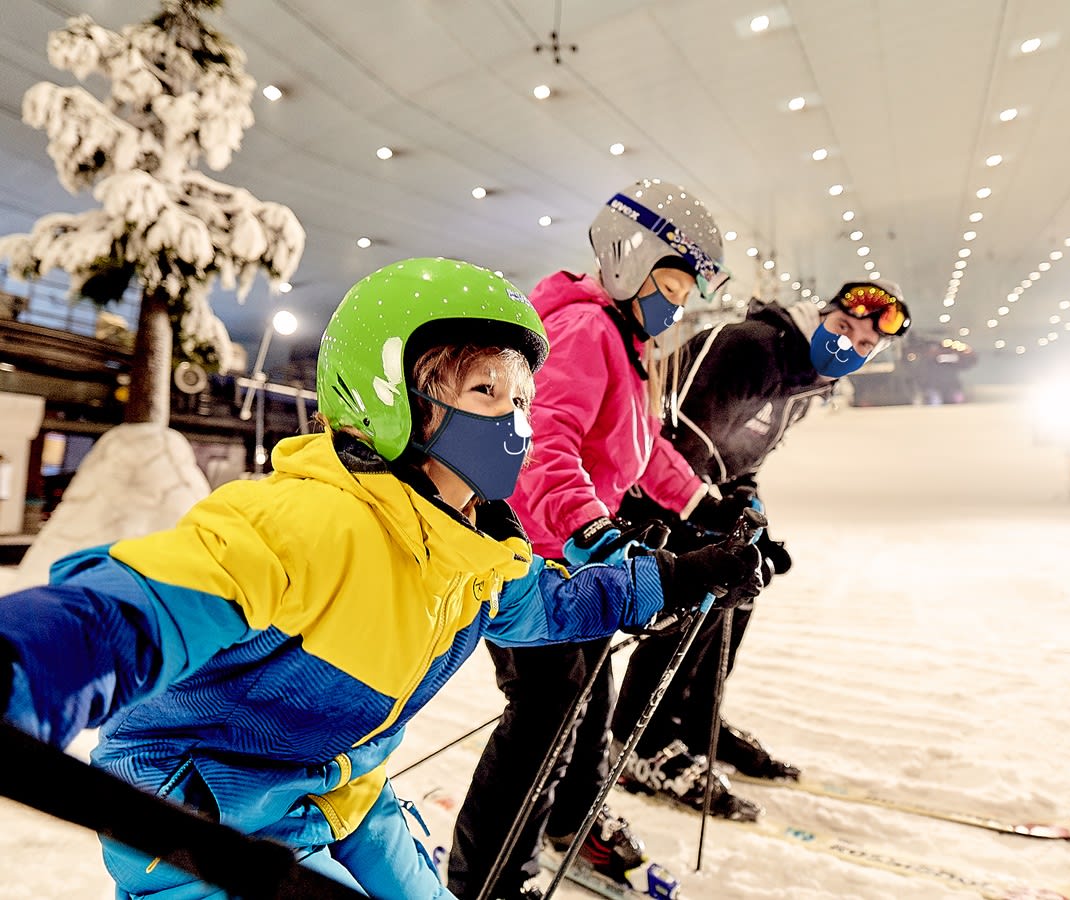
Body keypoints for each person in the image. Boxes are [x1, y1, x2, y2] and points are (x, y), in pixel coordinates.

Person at [0, 257, 762, 900]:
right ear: (393, 396)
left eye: (524, 401)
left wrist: (679, 575)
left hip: (342, 792)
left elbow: (554, 602)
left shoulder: (476, 553)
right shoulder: (311, 522)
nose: (519, 425)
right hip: (200, 813)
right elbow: (134, 607)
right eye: (487, 393)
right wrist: (29, 664)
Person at [448, 180, 762, 900]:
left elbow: (641, 448)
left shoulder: (625, 343)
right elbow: (539, 444)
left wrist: (705, 503)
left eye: (685, 289)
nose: (677, 301)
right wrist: (593, 528)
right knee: (544, 716)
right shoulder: (587, 330)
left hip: (574, 562)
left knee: (588, 699)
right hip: (537, 557)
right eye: (673, 281)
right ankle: (486, 883)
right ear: (632, 259)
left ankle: (572, 825)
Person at [612, 279, 912, 809]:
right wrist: (707, 521)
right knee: (690, 599)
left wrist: (749, 513)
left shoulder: (804, 381)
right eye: (843, 328)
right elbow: (672, 438)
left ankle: (695, 721)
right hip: (640, 495)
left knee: (740, 589)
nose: (848, 346)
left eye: (865, 345)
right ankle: (642, 743)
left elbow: (741, 458)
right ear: (819, 316)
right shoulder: (751, 346)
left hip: (696, 496)